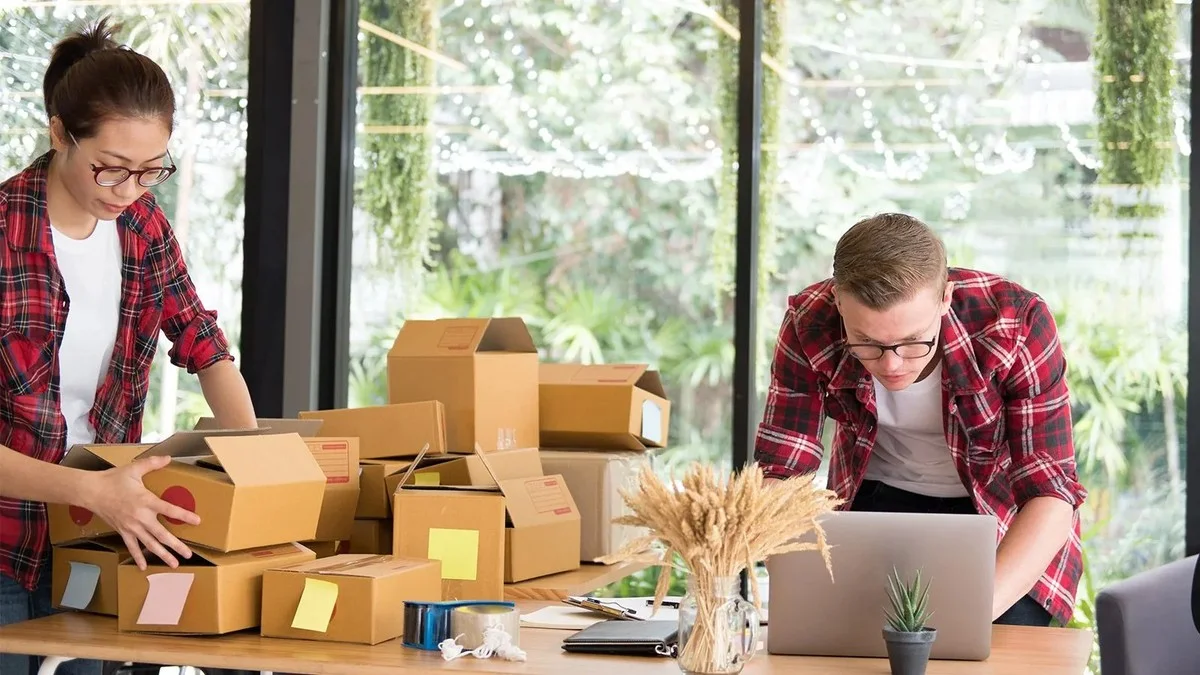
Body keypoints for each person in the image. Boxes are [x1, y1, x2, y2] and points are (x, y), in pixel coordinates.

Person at [0, 18, 258, 675]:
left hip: (94, 538)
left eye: (150, 172)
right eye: (111, 170)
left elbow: (205, 344)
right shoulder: (4, 236)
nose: (130, 191)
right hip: (5, 541)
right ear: (60, 133)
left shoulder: (142, 226)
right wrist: (99, 490)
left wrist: (255, 464)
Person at [755, 212, 1087, 628]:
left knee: (991, 650)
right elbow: (782, 470)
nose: (892, 366)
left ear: (945, 298)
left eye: (913, 342)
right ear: (839, 301)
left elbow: (1050, 491)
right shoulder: (810, 322)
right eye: (868, 343)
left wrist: (968, 618)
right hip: (873, 504)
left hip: (1001, 518)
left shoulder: (1016, 323)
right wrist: (799, 583)